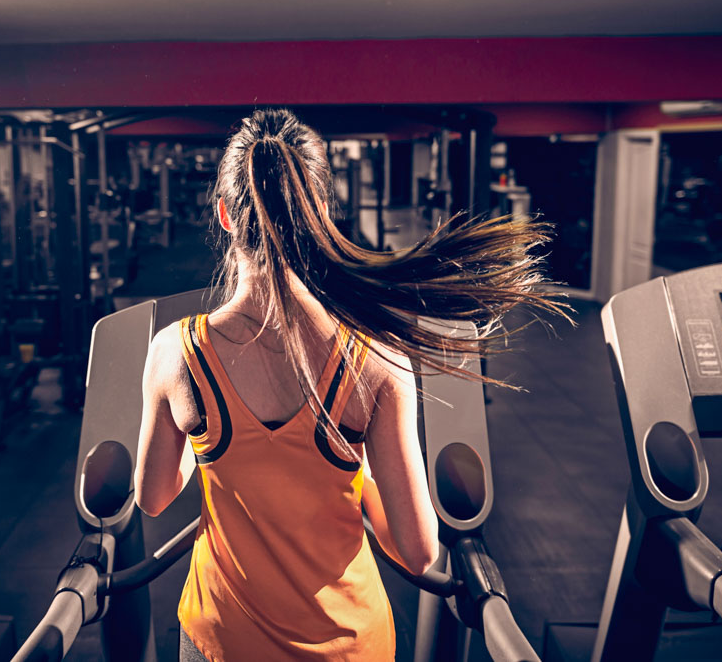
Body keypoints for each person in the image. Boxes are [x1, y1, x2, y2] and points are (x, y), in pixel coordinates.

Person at [134, 109, 564, 661]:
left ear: (222, 215)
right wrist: (349, 464)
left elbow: (153, 497)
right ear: (322, 216)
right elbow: (416, 550)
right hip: (348, 645)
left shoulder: (175, 352)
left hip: (221, 640)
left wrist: (207, 435)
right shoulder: (378, 358)